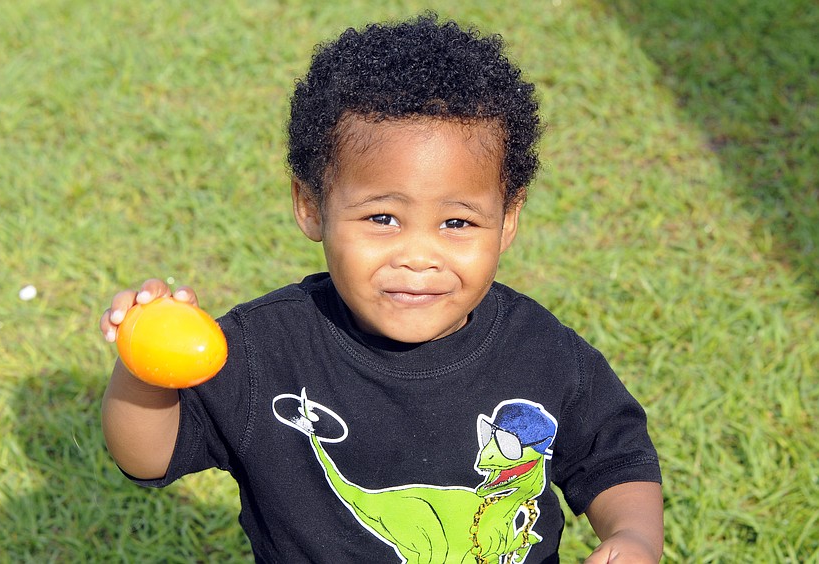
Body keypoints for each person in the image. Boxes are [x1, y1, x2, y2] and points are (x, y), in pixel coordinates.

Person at [100, 13, 663, 563]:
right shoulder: (265, 350)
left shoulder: (541, 351)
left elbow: (616, 460)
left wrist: (634, 536)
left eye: (457, 222)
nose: (418, 257)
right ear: (310, 206)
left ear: (507, 220)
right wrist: (146, 369)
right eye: (382, 218)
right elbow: (150, 456)